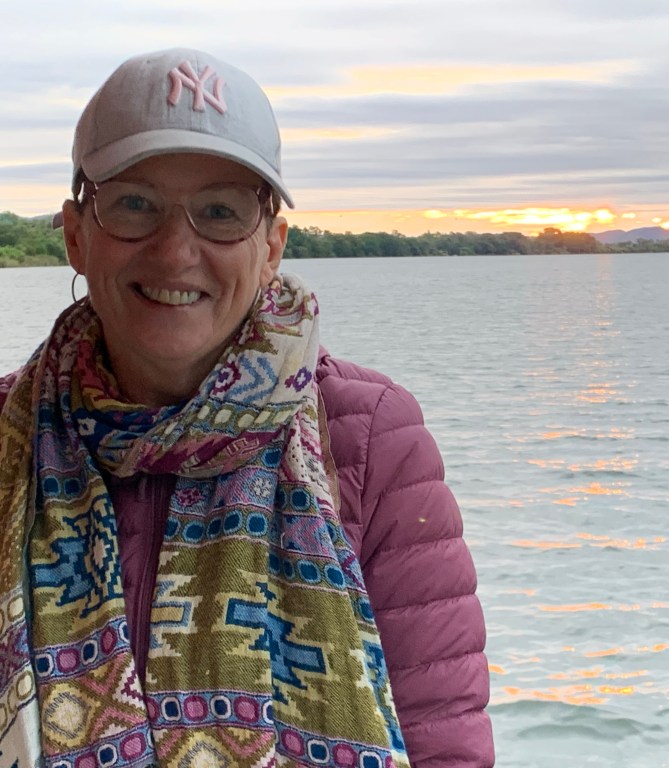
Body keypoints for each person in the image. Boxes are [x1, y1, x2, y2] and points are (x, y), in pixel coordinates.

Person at [0, 48, 493, 767]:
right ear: (77, 234)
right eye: (134, 204)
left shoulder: (371, 436)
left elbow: (444, 742)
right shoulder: (6, 436)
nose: (175, 252)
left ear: (271, 247)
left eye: (220, 212)